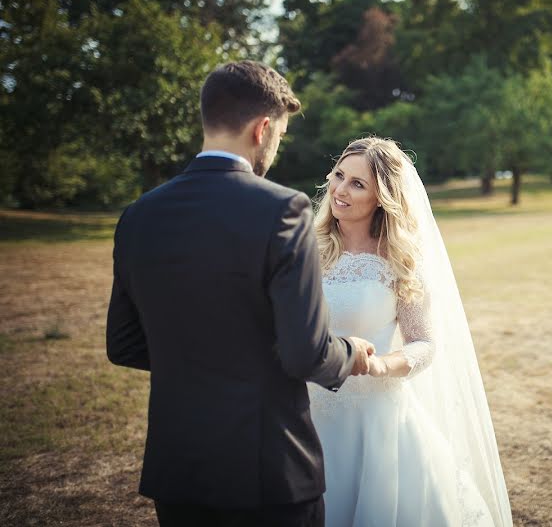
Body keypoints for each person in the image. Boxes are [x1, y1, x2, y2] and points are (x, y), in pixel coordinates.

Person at [106, 60, 375, 527]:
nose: (276, 147)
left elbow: (125, 345)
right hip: (267, 469)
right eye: (280, 135)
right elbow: (305, 354)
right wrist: (351, 351)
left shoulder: (138, 216)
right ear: (263, 128)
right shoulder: (282, 209)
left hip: (179, 470)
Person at [308, 136, 514, 526]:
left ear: (382, 197)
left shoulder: (399, 260)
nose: (339, 190)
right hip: (308, 414)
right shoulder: (305, 248)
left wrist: (384, 365)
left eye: (358, 184)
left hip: (375, 418)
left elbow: (424, 342)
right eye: (339, 175)